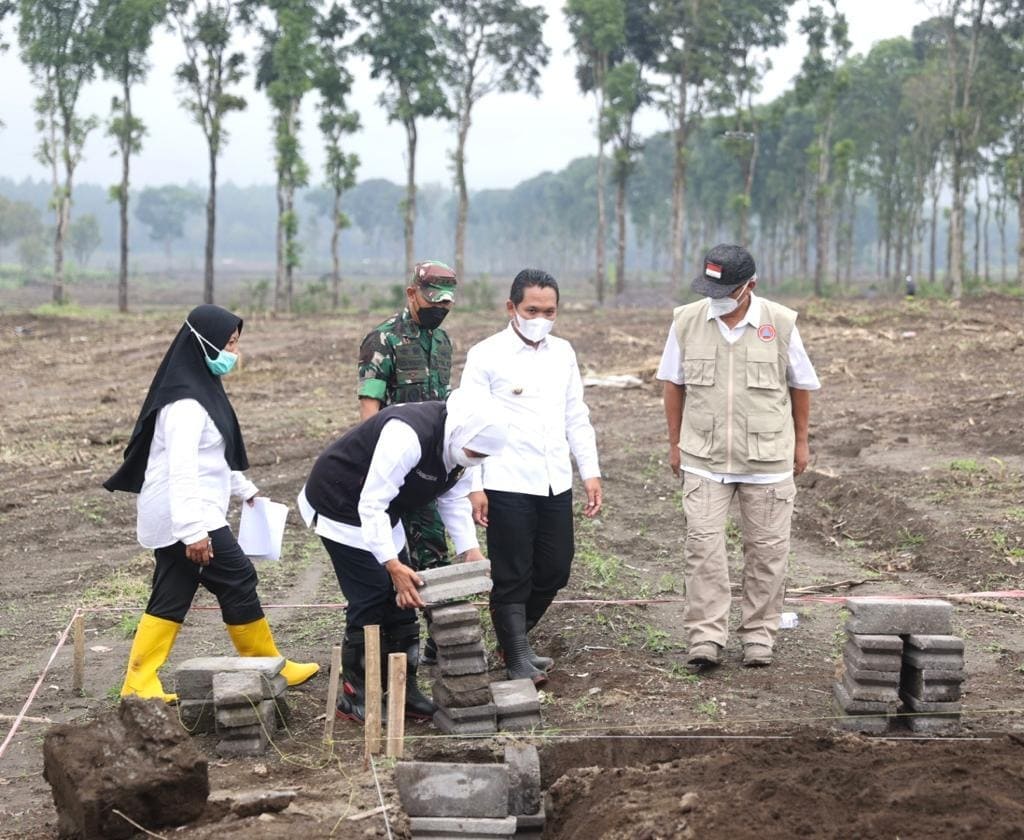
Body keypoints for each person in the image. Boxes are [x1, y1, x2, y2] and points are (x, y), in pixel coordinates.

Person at [104, 304, 318, 703]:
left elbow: (214, 454)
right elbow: (182, 470)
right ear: (201, 344)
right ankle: (266, 663)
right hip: (185, 513)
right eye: (228, 343)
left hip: (186, 511)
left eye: (236, 343)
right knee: (237, 576)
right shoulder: (184, 405)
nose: (234, 352)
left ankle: (138, 683)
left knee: (172, 592)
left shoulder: (202, 390)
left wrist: (245, 490)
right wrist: (193, 532)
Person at [297, 389, 508, 723]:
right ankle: (355, 694)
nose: (474, 458)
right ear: (460, 434)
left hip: (385, 512)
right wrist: (392, 564)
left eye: (482, 456)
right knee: (370, 597)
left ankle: (403, 689)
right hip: (341, 503)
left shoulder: (465, 441)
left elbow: (452, 497)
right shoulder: (407, 435)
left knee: (406, 598)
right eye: (473, 451)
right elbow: (371, 504)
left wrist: (470, 549)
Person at [657, 244, 820, 670]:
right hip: (703, 457)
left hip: (766, 460)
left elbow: (800, 385)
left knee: (767, 552)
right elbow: (673, 384)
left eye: (727, 289)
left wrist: (801, 442)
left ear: (751, 285)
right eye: (712, 289)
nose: (718, 297)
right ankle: (706, 638)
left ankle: (759, 637)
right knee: (703, 548)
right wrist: (675, 443)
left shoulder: (780, 324)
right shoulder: (686, 321)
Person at [460, 268, 602, 686]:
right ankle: (517, 656)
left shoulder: (563, 353)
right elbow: (468, 425)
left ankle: (514, 639)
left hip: (554, 478)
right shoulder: (486, 355)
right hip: (505, 480)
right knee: (511, 572)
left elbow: (577, 416)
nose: (541, 318)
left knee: (556, 567)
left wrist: (589, 471)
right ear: (512, 308)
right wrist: (474, 485)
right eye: (532, 309)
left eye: (550, 311)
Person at [358, 260, 458, 664]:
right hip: (393, 467)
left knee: (433, 552)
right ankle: (394, 645)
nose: (439, 309)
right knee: (389, 558)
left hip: (430, 468)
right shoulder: (382, 340)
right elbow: (370, 410)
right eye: (432, 300)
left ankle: (438, 643)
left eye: (446, 304)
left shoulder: (444, 342)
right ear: (412, 293)